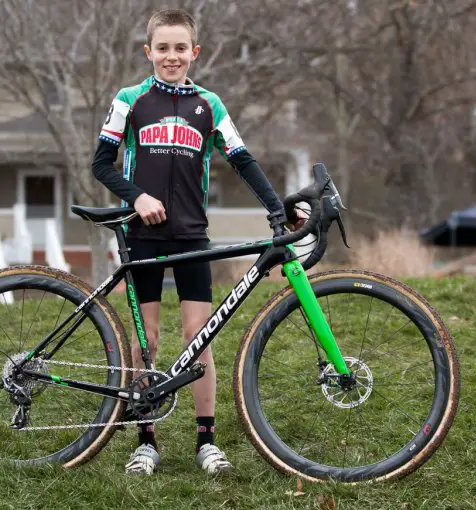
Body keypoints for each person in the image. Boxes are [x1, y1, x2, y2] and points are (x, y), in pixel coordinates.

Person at [92, 8, 302, 476]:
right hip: (140, 233)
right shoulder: (130, 99)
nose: (171, 56)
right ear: (148, 52)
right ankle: (145, 441)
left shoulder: (210, 104)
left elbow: (243, 160)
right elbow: (101, 164)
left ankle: (205, 440)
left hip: (192, 235)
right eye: (162, 48)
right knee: (147, 340)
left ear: (194, 52)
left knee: (198, 335)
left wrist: (276, 206)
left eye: (180, 48)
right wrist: (138, 197)